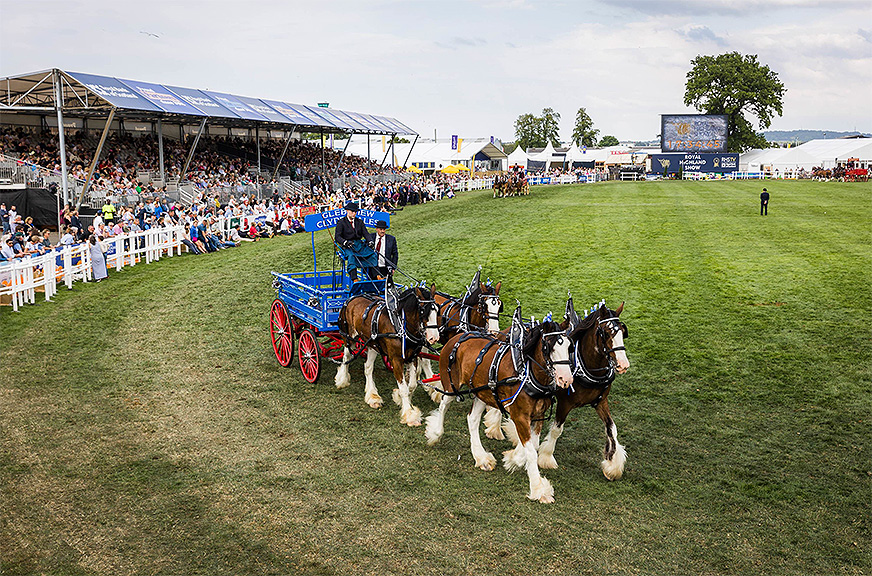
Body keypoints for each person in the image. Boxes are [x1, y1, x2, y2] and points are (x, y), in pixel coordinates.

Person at [334, 201, 376, 282]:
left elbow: (366, 233)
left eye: (355, 212)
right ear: (347, 211)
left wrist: (370, 241)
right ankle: (355, 279)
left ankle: (376, 276)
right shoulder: (341, 222)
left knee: (372, 254)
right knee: (351, 256)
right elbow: (337, 237)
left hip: (359, 244)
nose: (354, 213)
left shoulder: (359, 222)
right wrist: (345, 242)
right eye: (352, 212)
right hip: (348, 246)